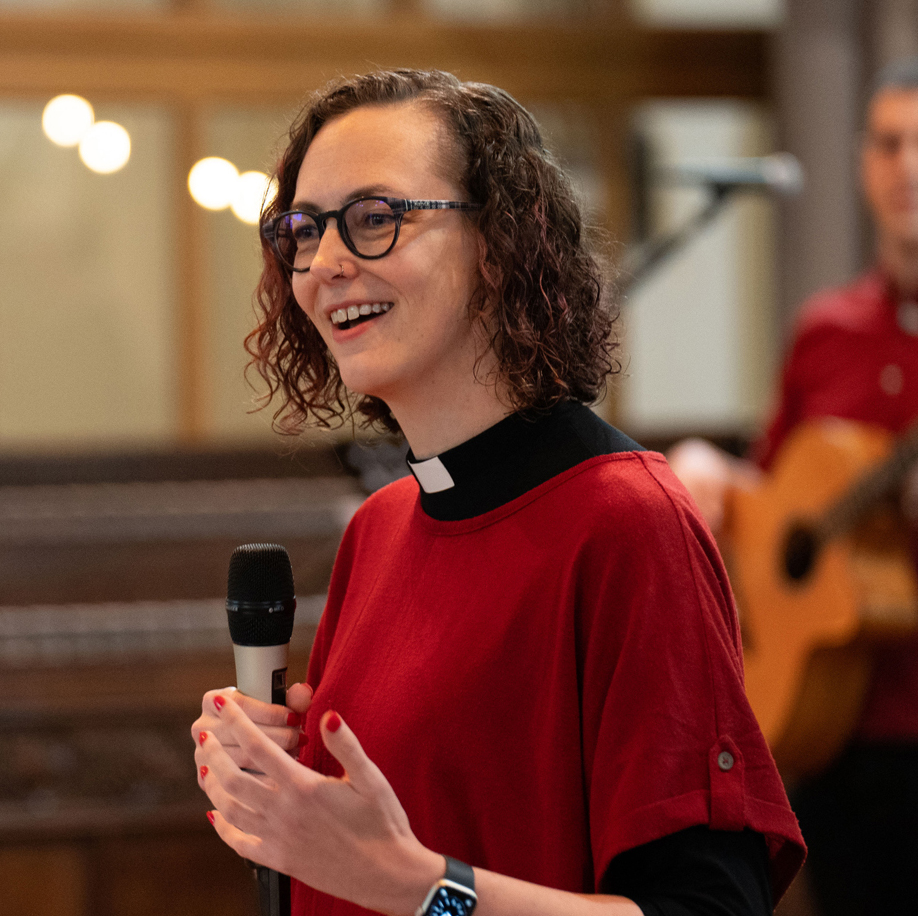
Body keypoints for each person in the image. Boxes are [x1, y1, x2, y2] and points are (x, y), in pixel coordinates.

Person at [191, 68, 804, 916]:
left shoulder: (628, 523)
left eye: (374, 219)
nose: (325, 262)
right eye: (303, 228)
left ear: (499, 243)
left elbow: (709, 908)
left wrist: (423, 890)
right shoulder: (382, 526)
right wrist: (287, 791)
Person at [667, 57, 918, 916]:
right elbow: (780, 506)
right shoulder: (826, 331)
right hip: (835, 738)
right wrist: (708, 470)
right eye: (890, 143)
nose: (908, 168)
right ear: (862, 161)